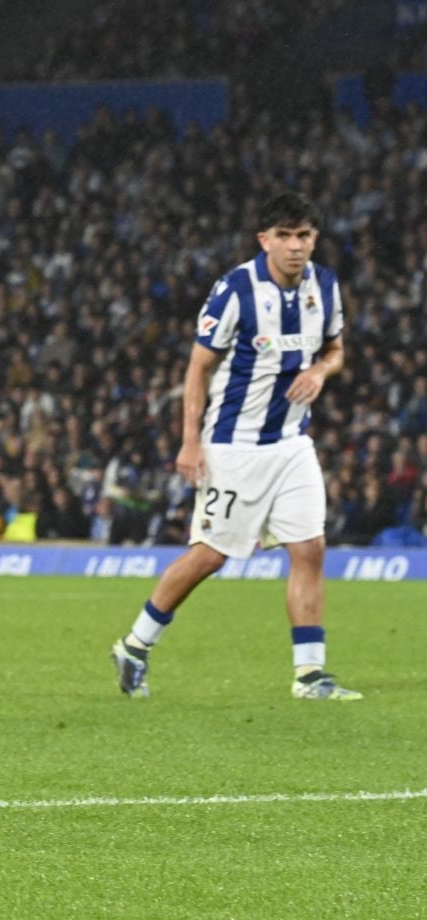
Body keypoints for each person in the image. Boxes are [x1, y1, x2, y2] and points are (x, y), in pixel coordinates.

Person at [112, 192, 359, 701]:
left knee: (309, 548)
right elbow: (198, 367)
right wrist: (190, 442)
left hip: (292, 443)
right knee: (210, 556)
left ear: (315, 238)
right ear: (264, 240)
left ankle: (310, 675)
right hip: (234, 445)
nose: (296, 246)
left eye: (304, 235)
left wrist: (319, 371)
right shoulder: (236, 290)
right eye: (285, 236)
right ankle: (136, 644)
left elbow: (335, 349)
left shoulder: (325, 285)